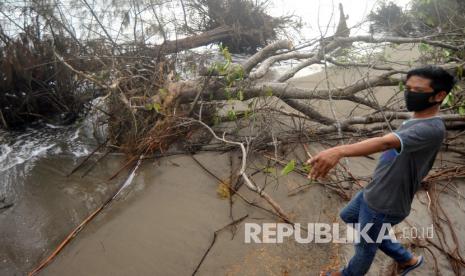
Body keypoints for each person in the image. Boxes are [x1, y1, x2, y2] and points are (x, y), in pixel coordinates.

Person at [307, 65, 456, 276]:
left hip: (386, 202)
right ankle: (407, 259)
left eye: (417, 90)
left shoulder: (430, 129)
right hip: (375, 191)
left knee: (364, 249)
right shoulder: (418, 118)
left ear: (439, 95)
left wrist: (339, 151)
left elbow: (385, 143)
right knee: (349, 216)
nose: (409, 93)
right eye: (408, 87)